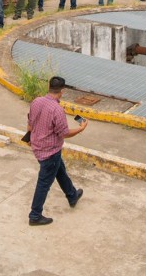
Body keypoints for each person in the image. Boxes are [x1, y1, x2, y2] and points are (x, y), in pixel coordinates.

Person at [27, 76, 87, 226]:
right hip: (50, 151)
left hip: (38, 146)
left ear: (49, 86)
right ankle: (35, 215)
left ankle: (72, 195)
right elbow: (64, 133)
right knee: (44, 183)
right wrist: (81, 128)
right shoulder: (57, 110)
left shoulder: (37, 101)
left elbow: (30, 123)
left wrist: (28, 139)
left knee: (60, 170)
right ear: (62, 91)